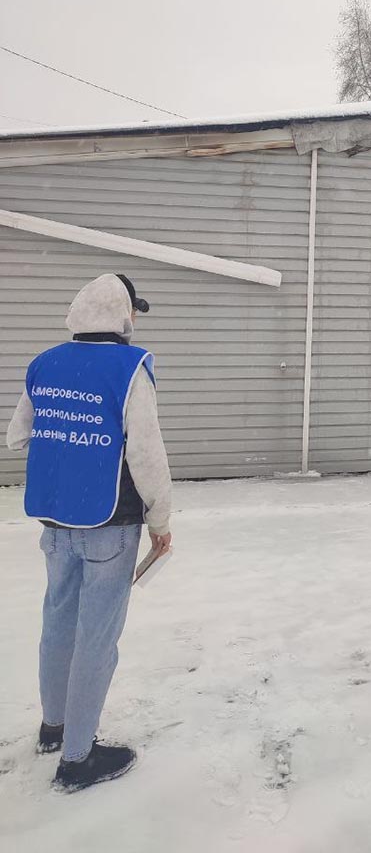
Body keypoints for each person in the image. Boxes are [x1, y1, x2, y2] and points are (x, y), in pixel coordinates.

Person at [5, 272, 173, 792]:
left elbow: (17, 435)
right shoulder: (129, 368)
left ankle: (53, 728)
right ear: (123, 314)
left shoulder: (45, 363)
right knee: (97, 639)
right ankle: (78, 759)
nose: (135, 319)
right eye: (134, 310)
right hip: (109, 525)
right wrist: (161, 520)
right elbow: (145, 453)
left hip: (56, 520)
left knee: (58, 625)